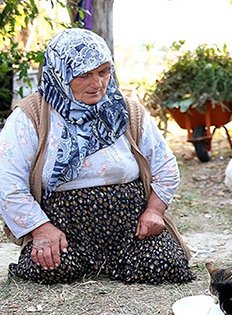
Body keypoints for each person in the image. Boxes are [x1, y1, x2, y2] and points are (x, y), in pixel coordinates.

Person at [0, 28, 195, 284]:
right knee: (48, 269)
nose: (98, 84)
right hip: (66, 231)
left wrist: (154, 212)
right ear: (61, 73)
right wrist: (41, 230)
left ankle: (117, 262)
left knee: (167, 265)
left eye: (103, 72)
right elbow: (7, 180)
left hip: (131, 230)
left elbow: (165, 166)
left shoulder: (126, 110)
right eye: (84, 75)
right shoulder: (31, 115)